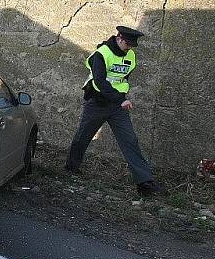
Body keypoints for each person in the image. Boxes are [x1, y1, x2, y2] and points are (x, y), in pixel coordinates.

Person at [65, 26, 163, 196]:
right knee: (83, 136)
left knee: (130, 140)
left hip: (117, 106)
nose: (129, 47)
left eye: (132, 45)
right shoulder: (101, 54)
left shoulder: (130, 55)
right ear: (119, 37)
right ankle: (71, 168)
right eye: (127, 43)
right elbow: (100, 82)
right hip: (97, 102)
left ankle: (144, 183)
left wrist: (120, 97)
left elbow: (123, 79)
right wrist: (121, 99)